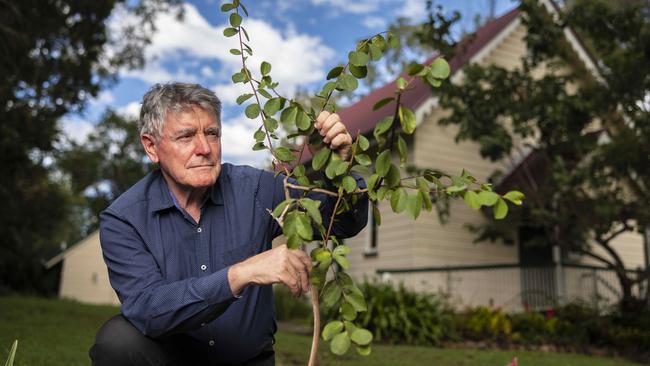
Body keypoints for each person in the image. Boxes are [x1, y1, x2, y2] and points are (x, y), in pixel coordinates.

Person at [89, 82, 368, 366]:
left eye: (212, 134)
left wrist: (341, 168)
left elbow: (343, 222)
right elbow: (148, 309)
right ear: (151, 146)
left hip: (248, 361)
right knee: (117, 341)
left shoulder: (256, 189)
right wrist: (240, 274)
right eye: (186, 136)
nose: (204, 148)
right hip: (172, 361)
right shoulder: (123, 219)